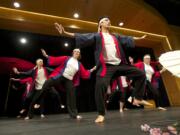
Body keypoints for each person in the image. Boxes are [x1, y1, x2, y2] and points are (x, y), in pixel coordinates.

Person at [54, 17, 152, 123]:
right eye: (106, 20)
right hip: (106, 67)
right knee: (100, 86)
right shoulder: (97, 36)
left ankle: (137, 98)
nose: (108, 21)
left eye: (109, 20)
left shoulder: (115, 36)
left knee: (141, 74)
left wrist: (140, 38)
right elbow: (82, 36)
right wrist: (65, 32)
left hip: (119, 64)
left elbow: (127, 38)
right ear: (100, 24)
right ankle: (101, 114)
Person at [38, 48, 96, 120]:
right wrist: (46, 55)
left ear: (79, 54)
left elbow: (84, 73)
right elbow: (56, 59)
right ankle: (38, 101)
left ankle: (74, 114)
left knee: (72, 96)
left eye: (78, 52)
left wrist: (91, 70)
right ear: (73, 52)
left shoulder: (79, 64)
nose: (76, 52)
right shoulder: (67, 58)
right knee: (47, 83)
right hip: (61, 75)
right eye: (75, 51)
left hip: (69, 79)